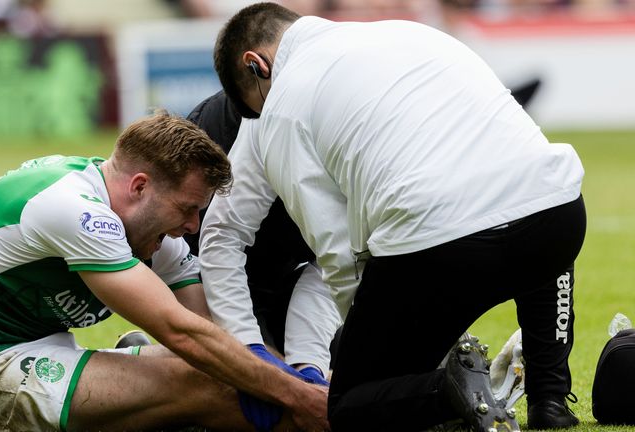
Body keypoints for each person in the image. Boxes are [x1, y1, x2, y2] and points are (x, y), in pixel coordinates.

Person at [204, 2, 586, 431]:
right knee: (540, 210)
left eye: (256, 105)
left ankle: (453, 390)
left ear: (257, 65)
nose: (260, 118)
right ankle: (549, 400)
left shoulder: (282, 107)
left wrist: (377, 359)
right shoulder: (411, 33)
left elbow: (337, 253)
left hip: (437, 245)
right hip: (559, 214)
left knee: (348, 407)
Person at [0, 112, 329, 432]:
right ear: (140, 187)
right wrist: (303, 399)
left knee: (228, 367)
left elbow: (217, 330)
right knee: (206, 382)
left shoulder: (149, 229)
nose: (193, 227)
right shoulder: (73, 210)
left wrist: (301, 381)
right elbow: (183, 333)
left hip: (51, 351)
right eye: (187, 209)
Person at [185, 90, 343, 380]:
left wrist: (309, 362)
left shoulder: (359, 137)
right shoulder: (240, 125)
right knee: (243, 382)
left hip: (285, 271)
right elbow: (220, 241)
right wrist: (252, 355)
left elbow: (338, 260)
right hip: (209, 270)